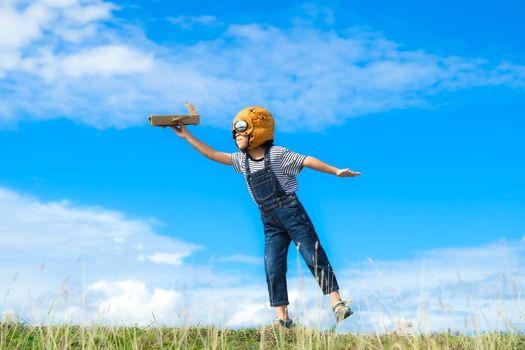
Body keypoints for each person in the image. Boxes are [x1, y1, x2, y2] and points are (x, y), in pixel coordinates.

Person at [168, 106, 361, 328]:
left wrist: (336, 171)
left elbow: (307, 160)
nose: (236, 137)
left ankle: (337, 304)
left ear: (257, 132)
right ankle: (283, 318)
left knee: (312, 254)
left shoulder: (278, 155)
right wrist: (187, 136)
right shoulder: (242, 161)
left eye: (241, 132)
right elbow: (211, 154)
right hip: (269, 221)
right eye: (235, 133)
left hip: (291, 212)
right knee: (273, 266)